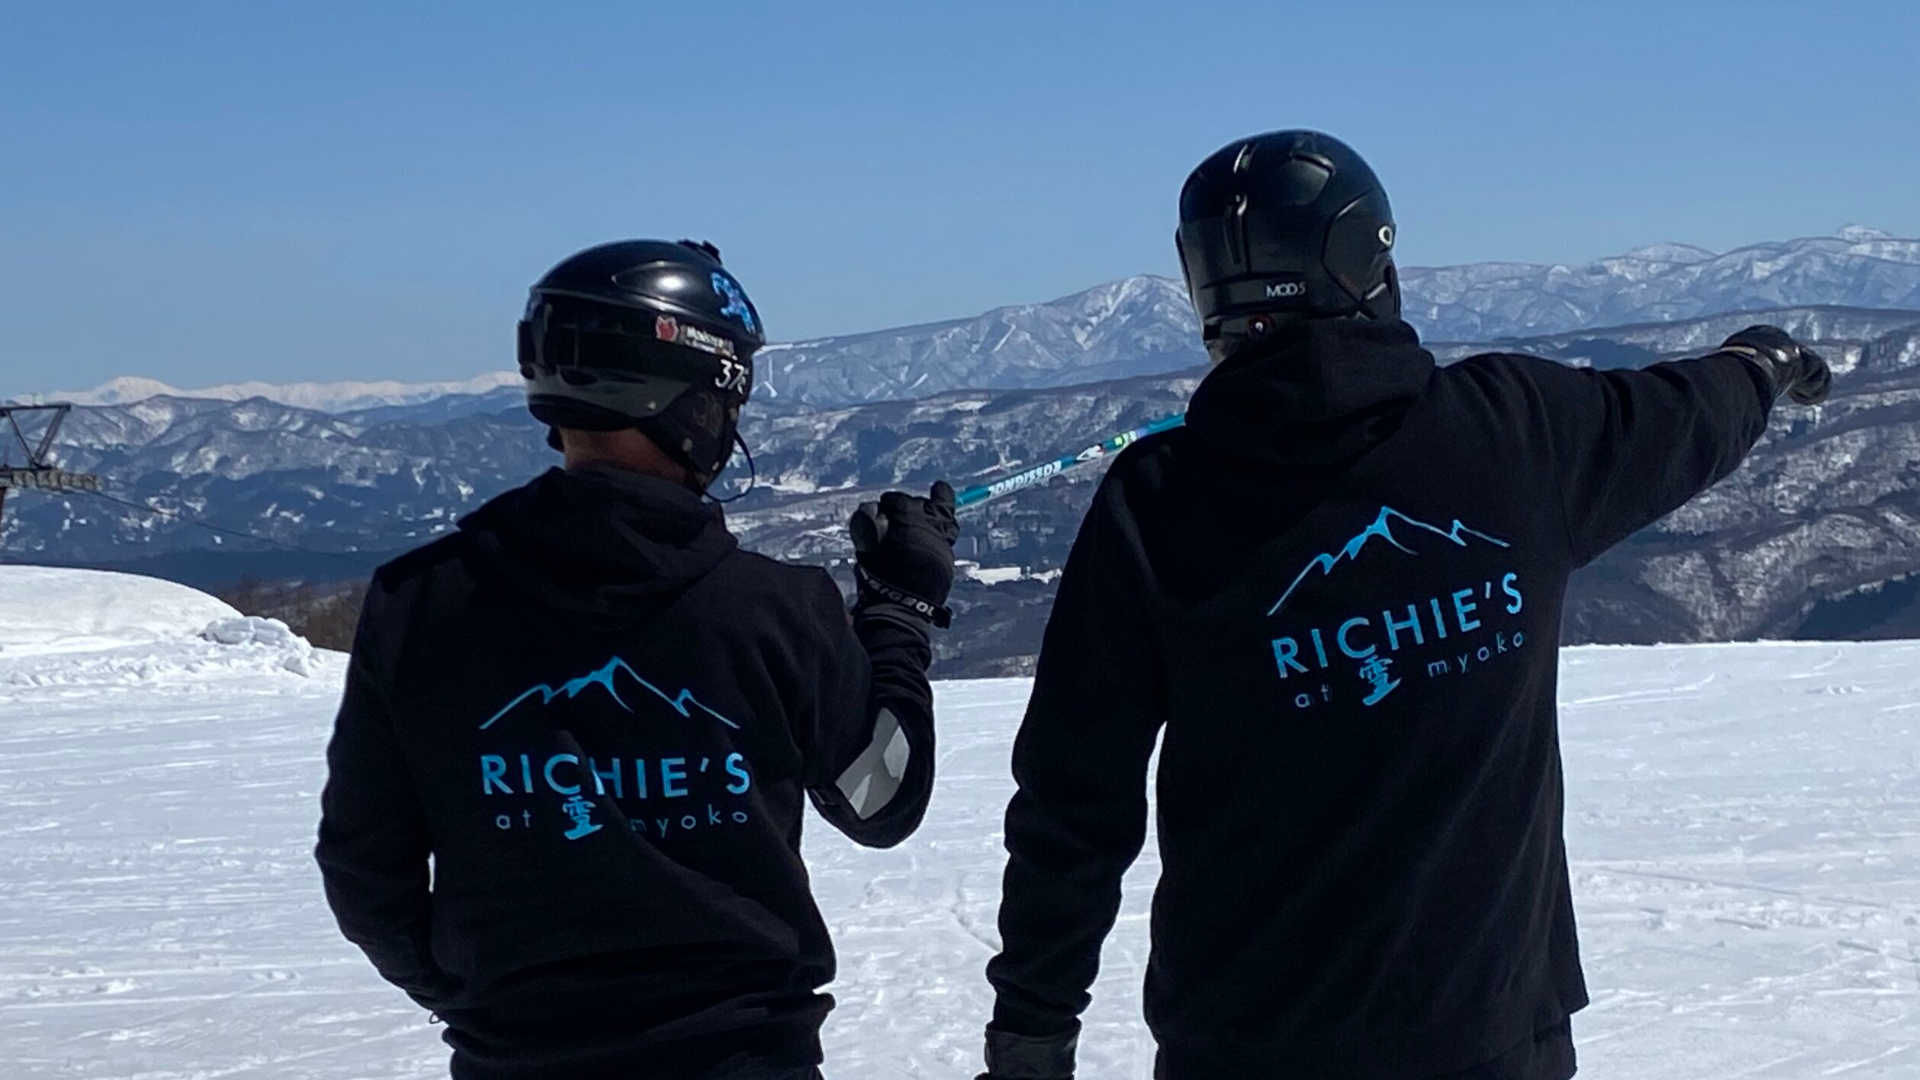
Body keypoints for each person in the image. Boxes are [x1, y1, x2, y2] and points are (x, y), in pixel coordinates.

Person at [977, 131, 1831, 1080]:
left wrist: (1033, 1026)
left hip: (1247, 1044)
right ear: (1367, 257)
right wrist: (1764, 362)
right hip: (1493, 1032)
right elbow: (1687, 412)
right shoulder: (1515, 430)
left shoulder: (1161, 501)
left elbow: (1073, 797)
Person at [315, 239, 959, 1080]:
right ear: (697, 404)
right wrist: (898, 615)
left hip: (515, 1058)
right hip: (742, 1056)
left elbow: (364, 867)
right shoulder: (772, 610)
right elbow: (882, 799)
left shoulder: (418, 601)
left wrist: (482, 997)